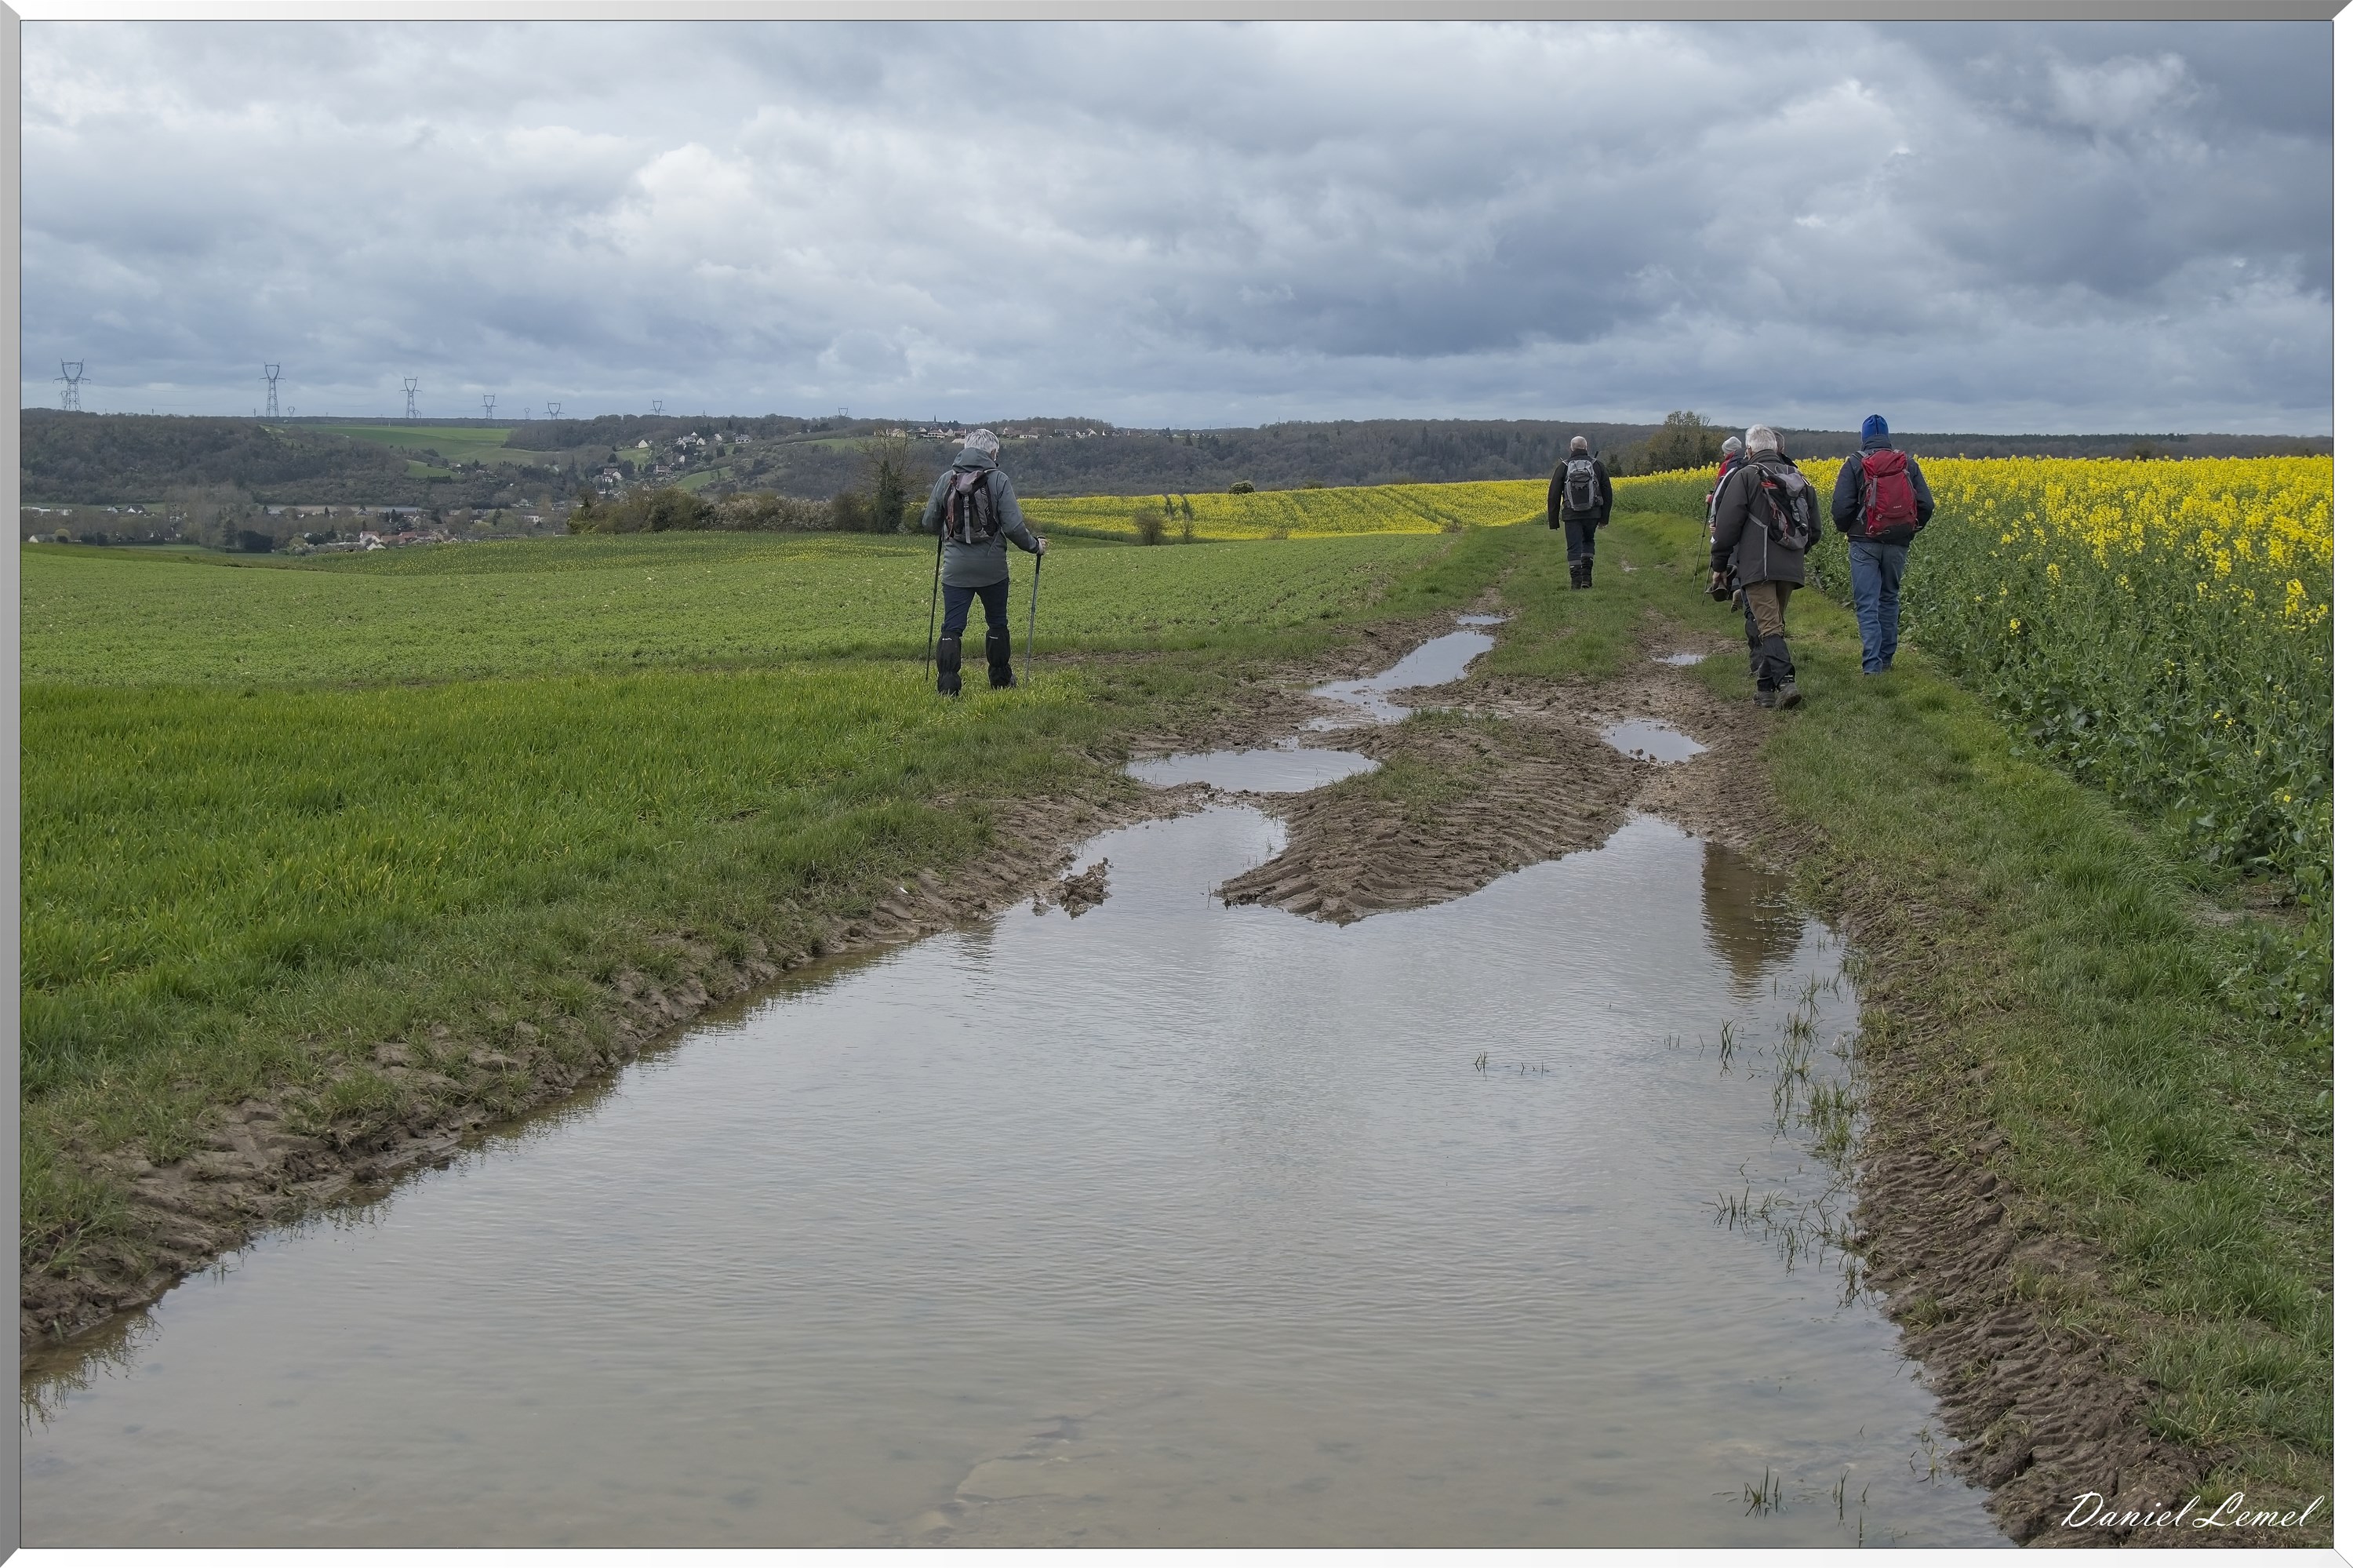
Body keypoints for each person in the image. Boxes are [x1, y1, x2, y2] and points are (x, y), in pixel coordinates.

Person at [919, 429, 1045, 695]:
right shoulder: (999, 480)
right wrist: (1035, 546)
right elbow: (1013, 527)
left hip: (956, 570)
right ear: (992, 453)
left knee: (952, 626)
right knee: (997, 622)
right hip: (993, 570)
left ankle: (948, 687)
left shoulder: (946, 479)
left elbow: (929, 522)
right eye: (996, 453)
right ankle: (1000, 680)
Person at [1708, 424, 1820, 709]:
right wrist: (1795, 552)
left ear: (1749, 450)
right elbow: (1815, 530)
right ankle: (1765, 690)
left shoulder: (1746, 476)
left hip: (1758, 566)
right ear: (1777, 448)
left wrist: (1720, 564)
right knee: (1774, 625)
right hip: (1790, 567)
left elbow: (1727, 526)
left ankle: (1787, 682)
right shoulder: (1799, 478)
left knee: (1769, 627)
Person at [1829, 414, 1935, 675]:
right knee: (1889, 598)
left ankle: (1872, 667)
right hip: (1898, 541)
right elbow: (1927, 505)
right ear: (1887, 437)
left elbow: (1841, 507)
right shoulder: (1907, 464)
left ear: (1864, 438)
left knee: (1867, 603)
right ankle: (1886, 661)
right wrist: (1911, 527)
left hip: (1864, 541)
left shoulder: (1854, 463)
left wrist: (1849, 529)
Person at [1546, 435, 1613, 590]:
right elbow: (1607, 492)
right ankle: (1586, 580)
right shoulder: (1597, 465)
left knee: (1573, 547)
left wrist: (1554, 521)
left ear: (1571, 448)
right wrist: (1604, 518)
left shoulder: (1564, 466)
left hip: (1571, 514)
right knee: (1588, 542)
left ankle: (1575, 582)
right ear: (1586, 446)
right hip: (1593, 513)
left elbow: (1553, 494)